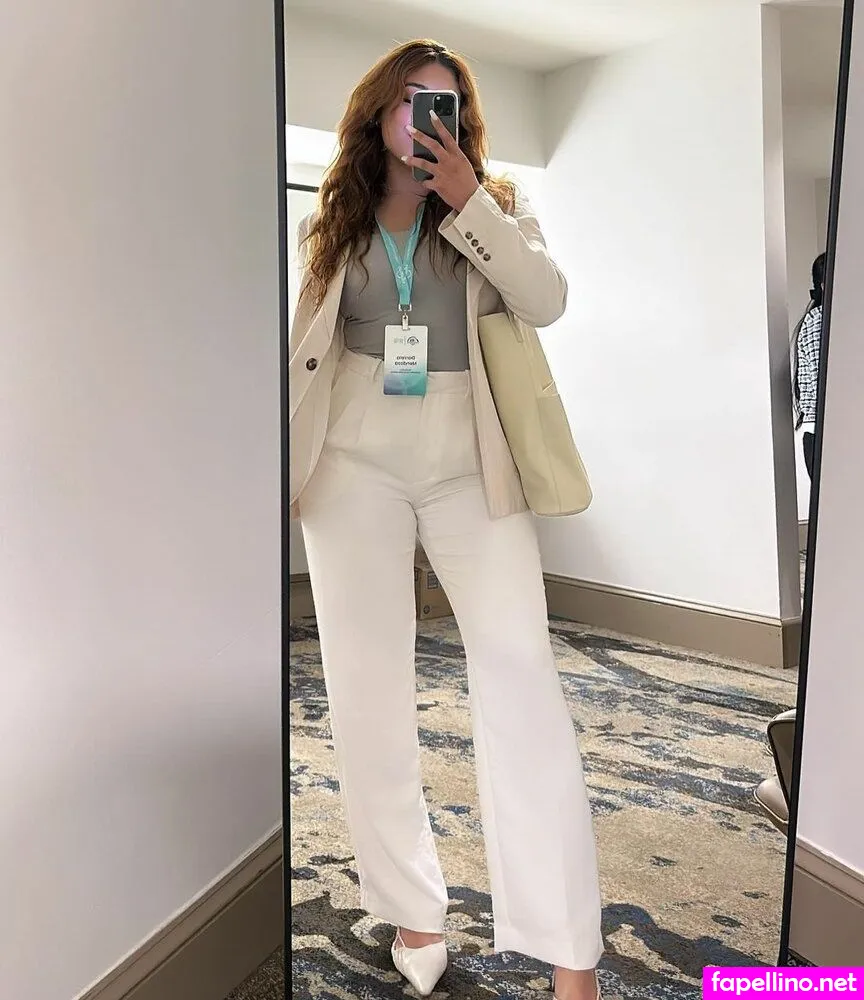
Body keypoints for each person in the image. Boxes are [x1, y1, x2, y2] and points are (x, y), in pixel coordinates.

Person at [288, 40, 603, 1000]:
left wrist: (468, 200)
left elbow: (545, 300)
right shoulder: (332, 216)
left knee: (522, 674)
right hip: (351, 455)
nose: (431, 115)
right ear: (377, 111)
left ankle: (571, 951)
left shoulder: (497, 202)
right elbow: (307, 344)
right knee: (366, 684)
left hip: (472, 455)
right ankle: (412, 910)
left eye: (448, 101)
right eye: (413, 99)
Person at [791, 252, 826, 479]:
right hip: (826, 434)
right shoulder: (819, 320)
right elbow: (825, 382)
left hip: (823, 433)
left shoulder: (818, 319)